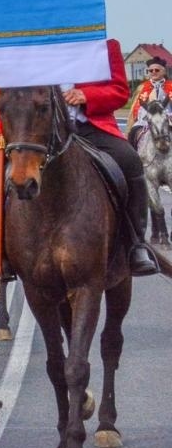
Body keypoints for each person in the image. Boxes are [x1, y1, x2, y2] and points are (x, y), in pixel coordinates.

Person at [63, 39, 158, 276]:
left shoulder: (107, 46)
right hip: (47, 130)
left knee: (130, 160)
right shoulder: (42, 43)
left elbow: (119, 91)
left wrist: (87, 94)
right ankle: (3, 249)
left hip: (91, 128)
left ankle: (137, 242)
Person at [128, 55, 169, 148]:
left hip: (167, 119)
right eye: (151, 70)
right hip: (145, 121)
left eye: (157, 70)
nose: (154, 72)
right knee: (133, 133)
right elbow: (137, 108)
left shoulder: (170, 87)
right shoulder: (142, 87)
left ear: (163, 71)